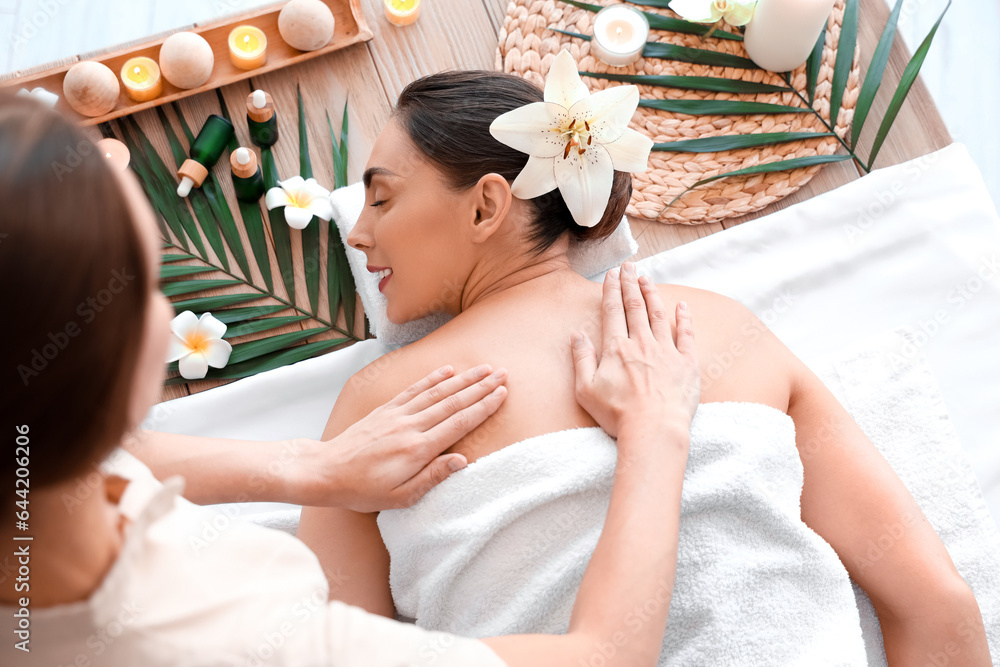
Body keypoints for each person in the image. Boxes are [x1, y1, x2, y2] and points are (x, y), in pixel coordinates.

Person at [295, 63, 991, 665]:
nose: (359, 233)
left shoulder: (377, 403)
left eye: (382, 198)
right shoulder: (718, 328)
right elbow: (937, 606)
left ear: (486, 205)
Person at [0, 91, 701, 666]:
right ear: (105, 374)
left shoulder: (32, 453)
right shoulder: (239, 636)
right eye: (150, 284)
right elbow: (605, 654)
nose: (357, 232)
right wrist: (656, 430)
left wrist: (314, 467)